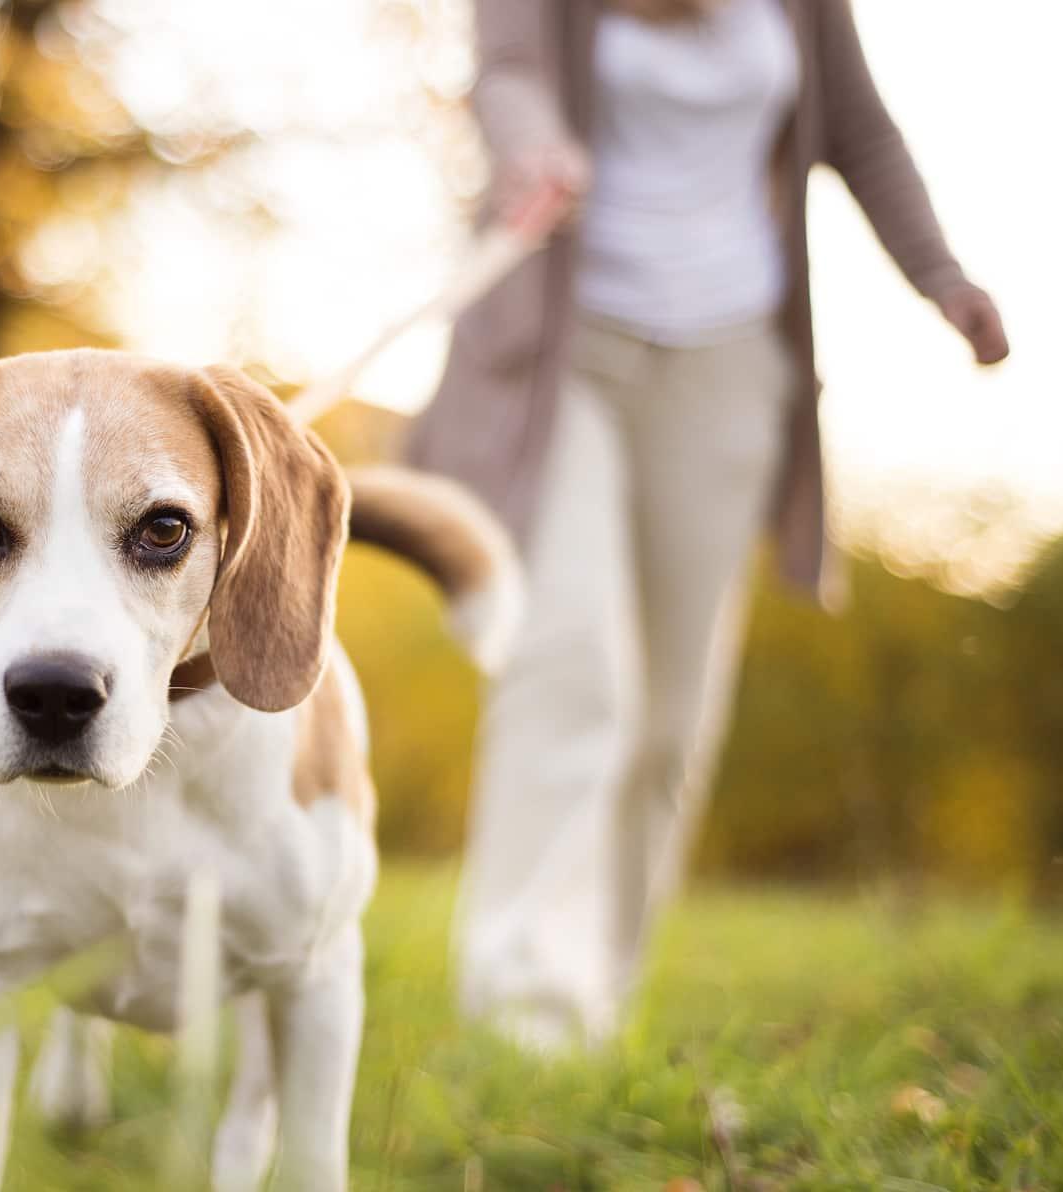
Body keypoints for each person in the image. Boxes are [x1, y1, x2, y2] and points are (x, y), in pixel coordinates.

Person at [408, 0, 1009, 1050]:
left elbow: (860, 133)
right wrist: (534, 141)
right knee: (572, 662)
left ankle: (596, 998)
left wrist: (941, 277)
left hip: (729, 363)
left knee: (671, 717)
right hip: (566, 350)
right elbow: (505, 69)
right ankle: (518, 1006)